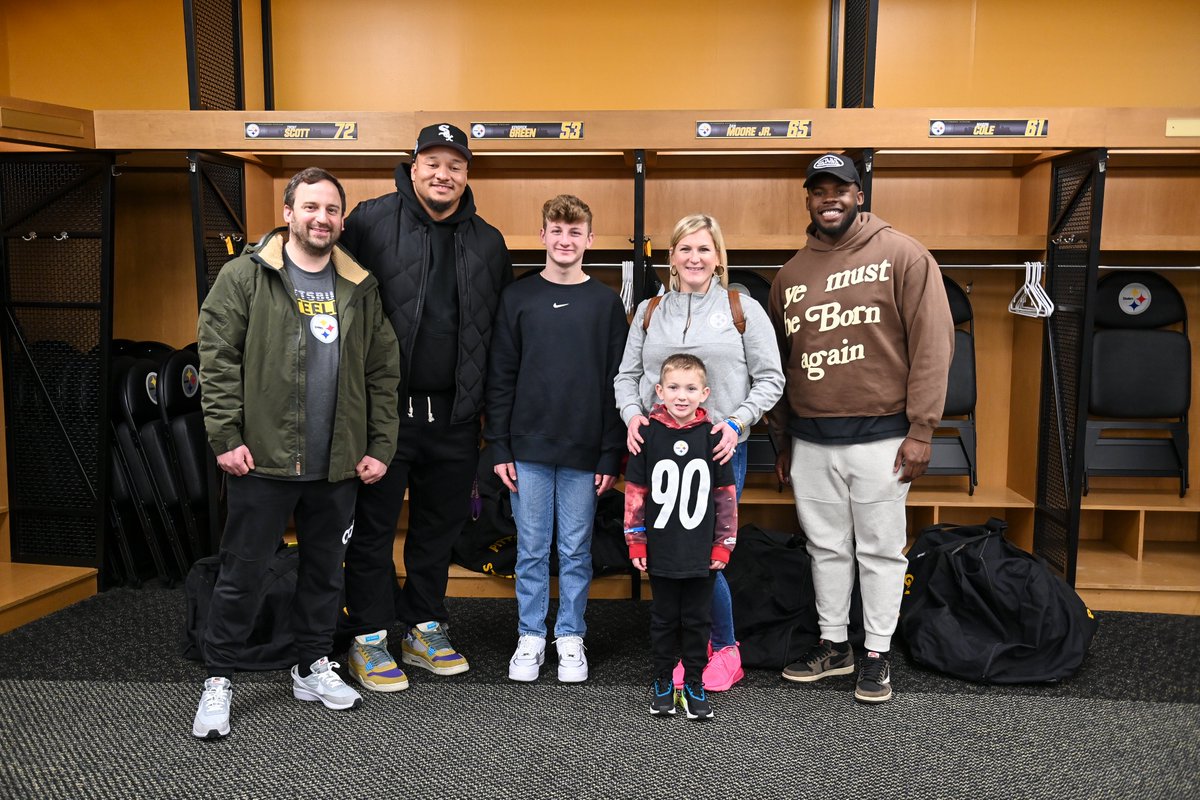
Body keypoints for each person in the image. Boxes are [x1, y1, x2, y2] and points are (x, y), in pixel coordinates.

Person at [192, 167, 401, 739]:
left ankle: (312, 665)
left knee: (323, 574)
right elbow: (217, 361)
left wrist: (380, 444)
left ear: (341, 218)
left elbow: (383, 371)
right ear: (288, 212)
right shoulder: (245, 276)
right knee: (243, 573)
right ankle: (220, 677)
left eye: (332, 210)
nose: (322, 219)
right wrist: (225, 438)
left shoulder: (359, 284)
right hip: (261, 460)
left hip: (336, 463)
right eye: (310, 207)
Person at [767, 152, 953, 704]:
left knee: (880, 550)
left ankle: (876, 652)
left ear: (859, 194)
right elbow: (778, 364)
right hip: (810, 438)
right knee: (825, 549)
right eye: (819, 189)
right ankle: (834, 646)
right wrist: (782, 439)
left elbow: (933, 348)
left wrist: (923, 429)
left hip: (883, 438)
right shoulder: (791, 272)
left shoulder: (903, 254)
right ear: (808, 198)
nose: (830, 198)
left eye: (840, 189)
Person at [336, 123, 513, 689]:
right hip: (383, 417)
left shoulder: (489, 242)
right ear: (412, 166)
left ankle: (423, 626)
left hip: (455, 420)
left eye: (455, 165)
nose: (443, 174)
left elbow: (497, 337)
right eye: (432, 162)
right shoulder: (368, 220)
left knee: (437, 531)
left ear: (467, 174)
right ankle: (368, 636)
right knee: (372, 528)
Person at [614, 213, 783, 692]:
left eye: (704, 249)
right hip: (659, 451)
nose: (694, 258)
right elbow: (626, 377)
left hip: (720, 449)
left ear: (719, 258)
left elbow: (771, 378)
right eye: (685, 249)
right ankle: (688, 646)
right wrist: (631, 415)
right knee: (666, 552)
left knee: (707, 551)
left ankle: (725, 648)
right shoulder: (650, 311)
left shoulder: (741, 309)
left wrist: (737, 420)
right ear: (671, 257)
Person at [484, 195, 627, 683]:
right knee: (530, 547)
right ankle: (530, 634)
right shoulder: (517, 298)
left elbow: (618, 383)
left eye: (575, 232)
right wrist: (499, 446)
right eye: (556, 231)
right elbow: (500, 377)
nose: (565, 241)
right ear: (542, 236)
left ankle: (569, 635)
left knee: (574, 549)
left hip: (585, 451)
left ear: (589, 240)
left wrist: (611, 451)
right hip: (528, 450)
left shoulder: (606, 303)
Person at [624, 354, 738, 720]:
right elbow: (636, 492)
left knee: (697, 619)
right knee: (663, 617)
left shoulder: (715, 438)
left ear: (705, 393)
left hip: (700, 549)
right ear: (659, 391)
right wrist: (636, 540)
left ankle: (693, 682)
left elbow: (726, 497)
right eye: (673, 387)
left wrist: (724, 543)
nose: (682, 396)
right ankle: (661, 678)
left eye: (691, 389)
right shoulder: (646, 434)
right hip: (661, 546)